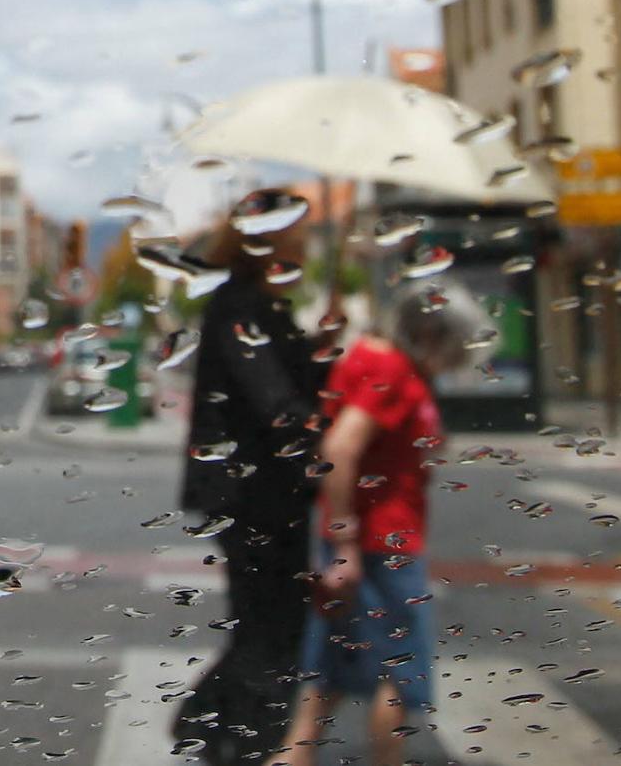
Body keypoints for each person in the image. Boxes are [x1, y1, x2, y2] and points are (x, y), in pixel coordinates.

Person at [270, 278, 494, 766]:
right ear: (432, 335)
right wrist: (347, 544)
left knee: (333, 668)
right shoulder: (390, 368)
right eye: (454, 350)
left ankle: (294, 757)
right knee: (399, 674)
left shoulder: (379, 360)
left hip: (364, 540)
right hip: (383, 547)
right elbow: (341, 448)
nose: (455, 364)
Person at [175, 189, 340, 764]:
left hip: (270, 492)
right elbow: (273, 400)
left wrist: (322, 350)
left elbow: (288, 384)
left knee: (270, 622)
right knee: (271, 628)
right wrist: (322, 445)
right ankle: (246, 742)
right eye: (296, 229)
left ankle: (211, 719)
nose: (303, 240)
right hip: (250, 495)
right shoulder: (238, 304)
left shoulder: (263, 306)